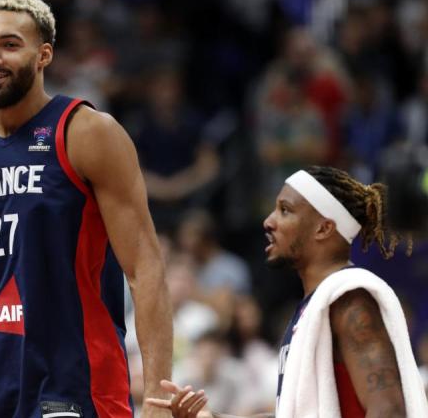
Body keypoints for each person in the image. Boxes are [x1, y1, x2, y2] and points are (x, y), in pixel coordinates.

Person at [0, 0, 172, 418]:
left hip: (76, 385)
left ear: (43, 55)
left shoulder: (86, 133)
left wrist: (158, 401)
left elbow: (145, 269)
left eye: (10, 45)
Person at [148, 166, 428, 418]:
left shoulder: (349, 300)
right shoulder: (313, 308)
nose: (268, 222)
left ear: (323, 228)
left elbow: (389, 409)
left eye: (285, 210)